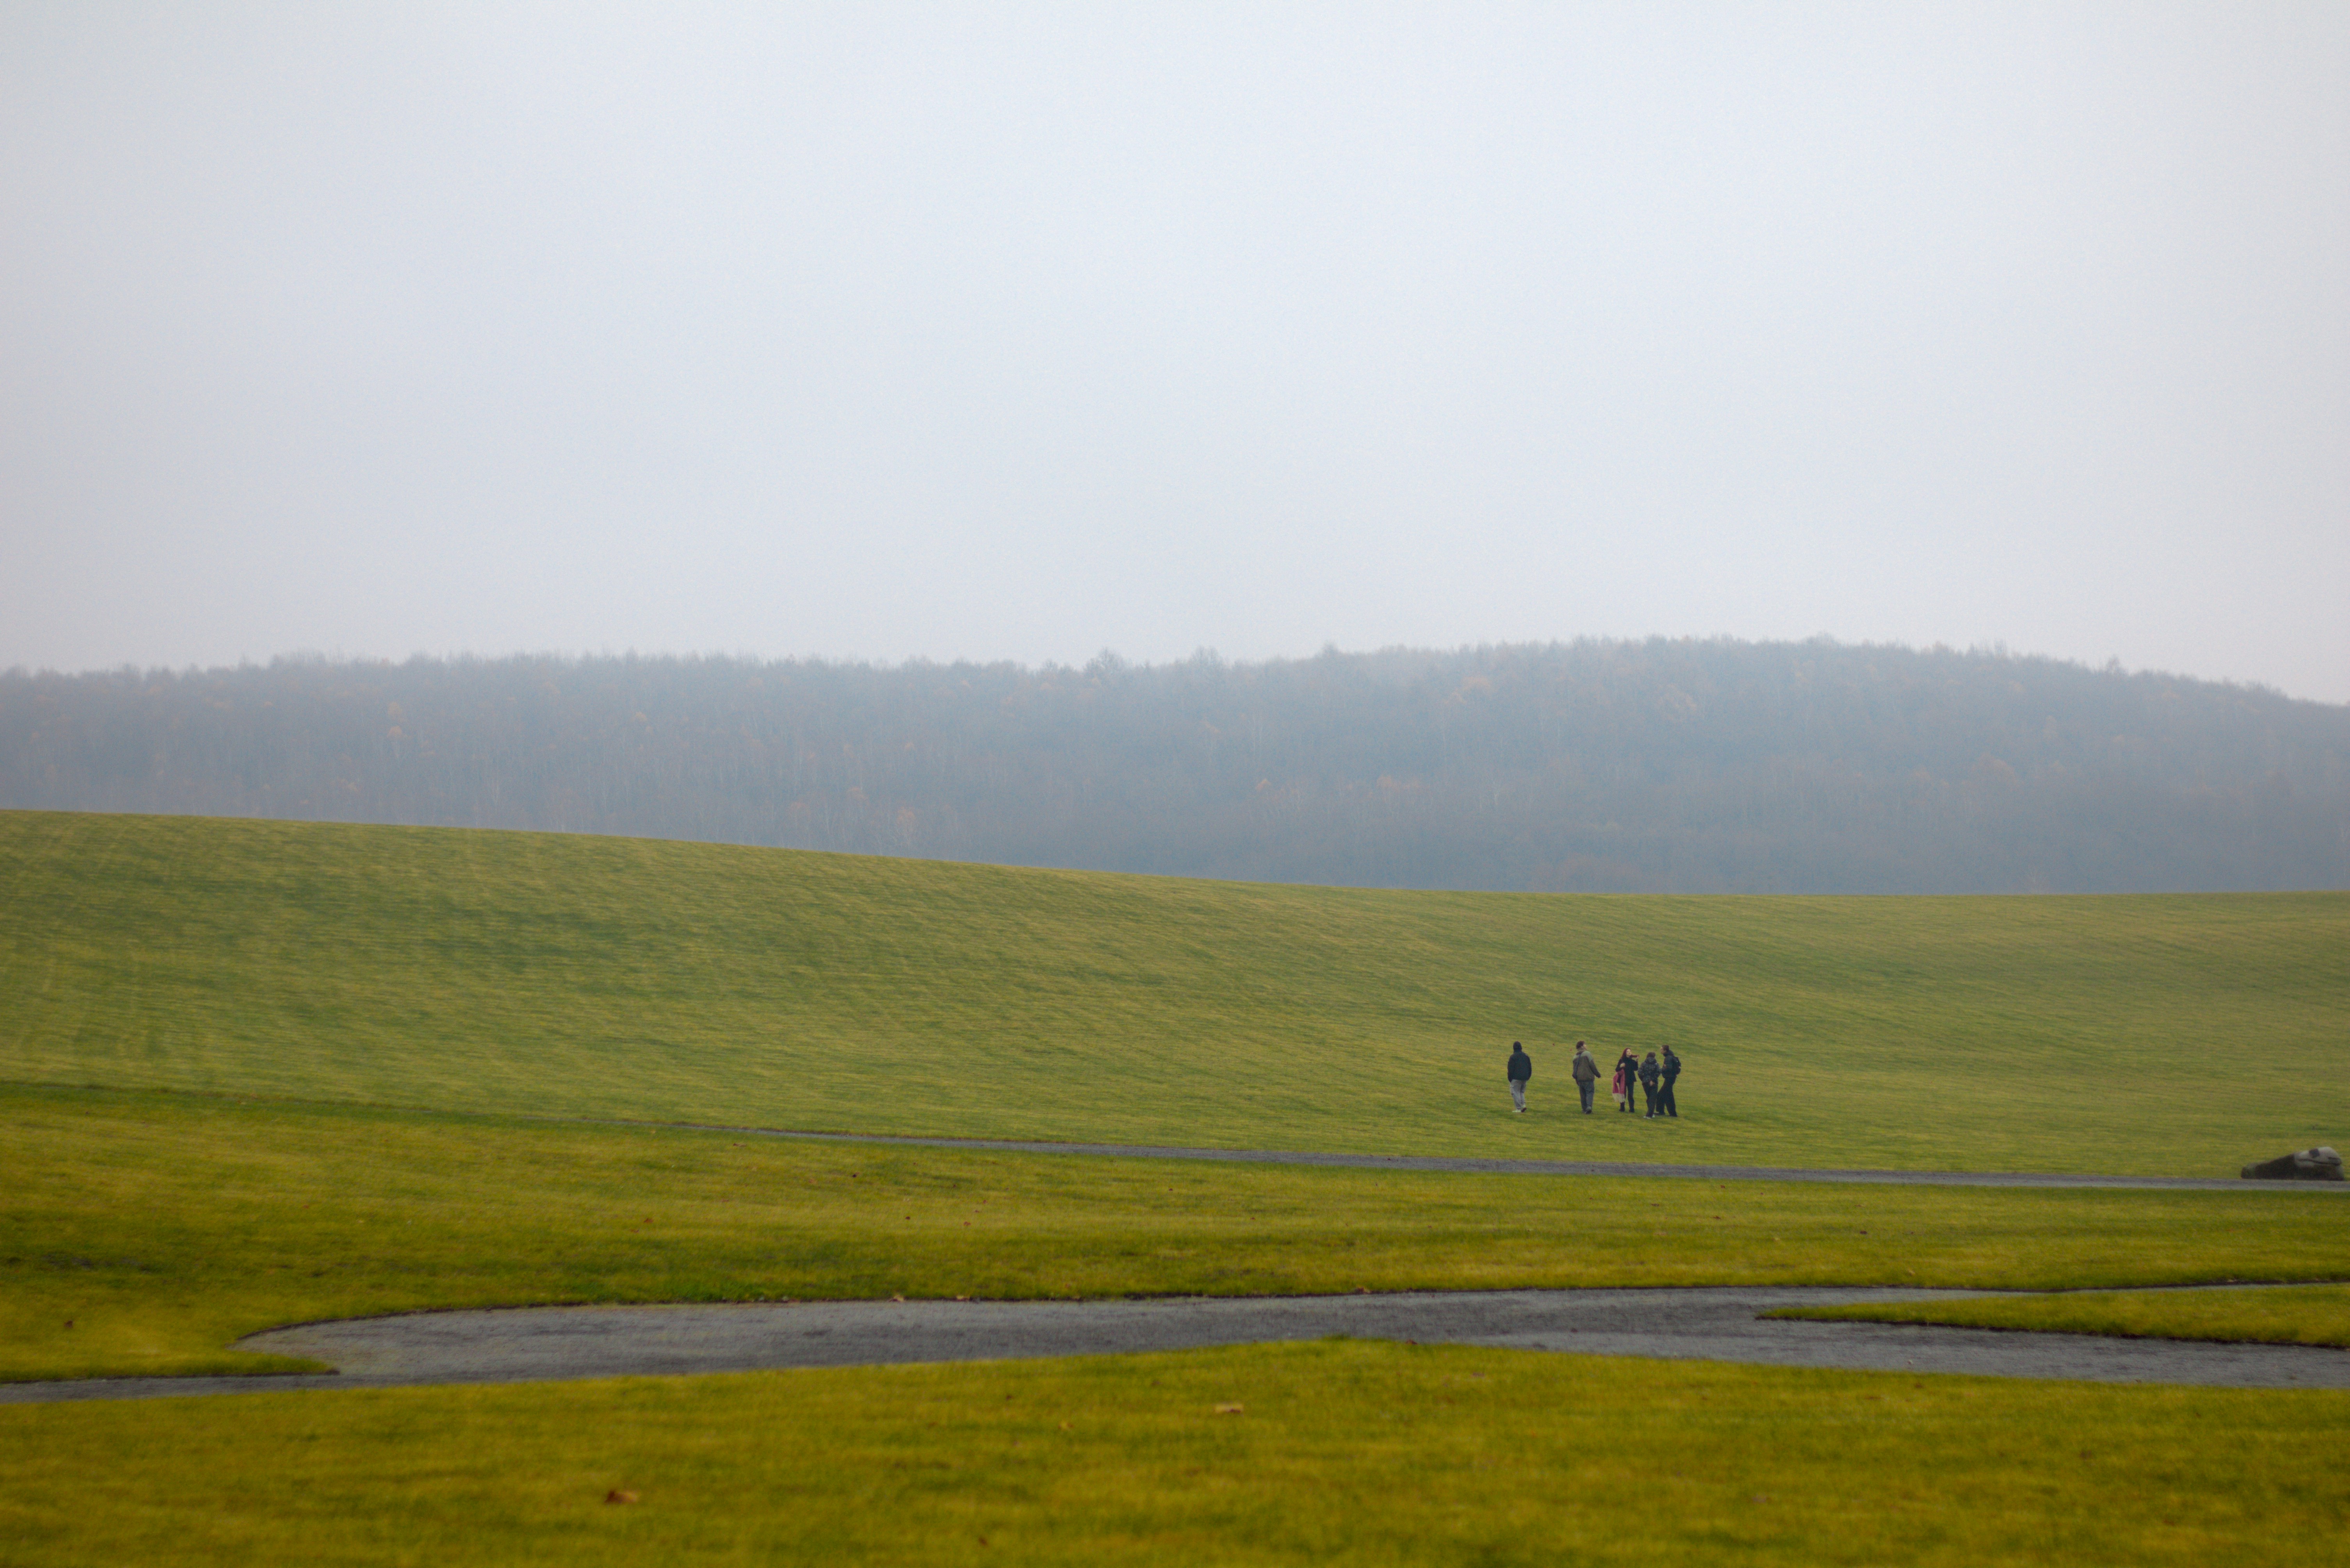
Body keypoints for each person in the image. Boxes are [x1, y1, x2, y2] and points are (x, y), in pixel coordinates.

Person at [1569, 1041, 1599, 1113]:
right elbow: (1592, 1065)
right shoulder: (1587, 1054)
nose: (1586, 1046)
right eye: (1585, 1044)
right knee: (1590, 1092)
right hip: (1588, 1077)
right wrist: (1598, 1074)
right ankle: (1589, 1107)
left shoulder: (1575, 1057)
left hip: (1580, 1078)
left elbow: (1575, 1069)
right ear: (1582, 1046)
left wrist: (1577, 1079)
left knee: (1583, 1094)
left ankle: (1584, 1109)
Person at [1506, 1041, 1533, 1113]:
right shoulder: (1526, 1056)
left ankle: (1518, 1109)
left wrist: (1510, 1079)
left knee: (1516, 1092)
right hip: (1525, 1077)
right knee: (1522, 1092)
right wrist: (1528, 1076)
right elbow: (1530, 1067)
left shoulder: (1513, 1057)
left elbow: (1510, 1069)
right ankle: (1523, 1105)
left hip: (1516, 1078)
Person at [1658, 1045, 1681, 1118]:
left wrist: (1662, 1069)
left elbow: (1669, 1068)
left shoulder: (1668, 1058)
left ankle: (1662, 1112)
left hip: (1669, 1079)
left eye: (1662, 1049)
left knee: (1661, 1095)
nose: (1660, 1050)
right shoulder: (1671, 1056)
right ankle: (1672, 1113)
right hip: (1671, 1078)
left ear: (1665, 1051)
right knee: (1668, 1095)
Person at [1613, 1048, 1638, 1113]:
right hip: (1623, 1080)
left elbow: (1636, 1069)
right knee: (1623, 1094)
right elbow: (1617, 1069)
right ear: (1625, 1053)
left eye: (1630, 1051)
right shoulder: (1622, 1060)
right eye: (1628, 1051)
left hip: (1631, 1079)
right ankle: (1622, 1108)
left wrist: (1636, 1061)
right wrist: (1621, 1066)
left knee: (1631, 1095)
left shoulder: (1632, 1061)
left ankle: (1632, 1109)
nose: (1629, 1052)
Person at [1638, 1050, 1662, 1118]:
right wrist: (1653, 1080)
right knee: (1652, 1099)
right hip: (1654, 1083)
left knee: (1649, 1098)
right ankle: (1650, 1114)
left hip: (1645, 1083)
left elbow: (1640, 1073)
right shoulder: (1656, 1064)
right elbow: (1659, 1071)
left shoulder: (1644, 1064)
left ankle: (1650, 1113)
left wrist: (1644, 1080)